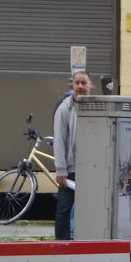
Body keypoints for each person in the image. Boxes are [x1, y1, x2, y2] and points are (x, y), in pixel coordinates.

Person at [53, 70, 92, 240]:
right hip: (70, 170)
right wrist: (61, 170)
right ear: (73, 86)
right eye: (77, 83)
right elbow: (59, 140)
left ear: (90, 85)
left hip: (91, 169)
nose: (81, 86)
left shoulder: (97, 107)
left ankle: (85, 245)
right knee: (64, 209)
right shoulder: (64, 109)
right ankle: (62, 248)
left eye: (84, 83)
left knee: (88, 210)